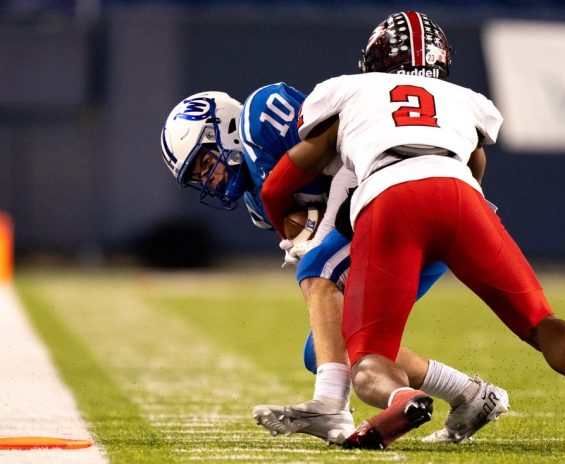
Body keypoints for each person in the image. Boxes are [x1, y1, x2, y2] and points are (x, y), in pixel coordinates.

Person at [260, 10, 565, 451]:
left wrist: (288, 232)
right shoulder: (464, 99)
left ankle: (403, 399)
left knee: (368, 356)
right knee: (541, 322)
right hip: (462, 199)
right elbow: (475, 171)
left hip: (389, 200)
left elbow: (276, 187)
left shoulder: (347, 91)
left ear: (375, 58)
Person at [160, 86, 509, 444]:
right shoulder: (257, 204)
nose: (211, 180)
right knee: (325, 347)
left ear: (226, 129)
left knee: (319, 276)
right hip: (384, 233)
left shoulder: (263, 116)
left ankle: (330, 405)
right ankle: (470, 394)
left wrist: (321, 236)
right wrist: (315, 238)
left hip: (411, 207)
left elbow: (354, 156)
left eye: (207, 164)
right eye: (199, 178)